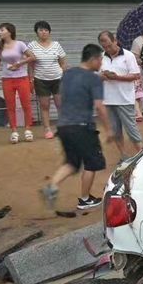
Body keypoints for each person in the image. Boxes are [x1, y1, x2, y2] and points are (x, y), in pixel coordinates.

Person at [40, 44, 113, 211]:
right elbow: (100, 107)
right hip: (82, 127)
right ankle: (85, 199)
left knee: (72, 163)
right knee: (92, 163)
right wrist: (109, 129)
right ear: (94, 59)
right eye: (101, 59)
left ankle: (52, 186)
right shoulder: (94, 79)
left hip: (64, 126)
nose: (101, 63)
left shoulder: (68, 74)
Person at [0, 22, 35, 144]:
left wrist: (19, 64)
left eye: (2, 30)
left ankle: (28, 130)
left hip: (22, 78)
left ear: (10, 31)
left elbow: (32, 57)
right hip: (7, 79)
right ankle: (14, 131)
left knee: (26, 105)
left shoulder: (20, 44)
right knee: (10, 106)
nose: (0, 32)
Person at [98, 30, 143, 160]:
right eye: (104, 47)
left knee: (131, 130)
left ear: (115, 41)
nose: (107, 49)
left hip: (125, 99)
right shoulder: (101, 57)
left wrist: (117, 77)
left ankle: (141, 156)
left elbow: (136, 75)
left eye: (109, 45)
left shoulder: (128, 56)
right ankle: (123, 155)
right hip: (108, 100)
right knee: (116, 130)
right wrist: (102, 76)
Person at [27, 21, 67, 140]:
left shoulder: (56, 45)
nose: (43, 32)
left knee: (60, 104)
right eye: (41, 30)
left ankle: (63, 128)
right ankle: (47, 129)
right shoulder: (32, 46)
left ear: (49, 32)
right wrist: (31, 79)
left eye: (46, 30)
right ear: (37, 32)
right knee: (45, 106)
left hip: (57, 79)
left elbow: (63, 61)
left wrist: (63, 73)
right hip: (40, 80)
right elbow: (30, 64)